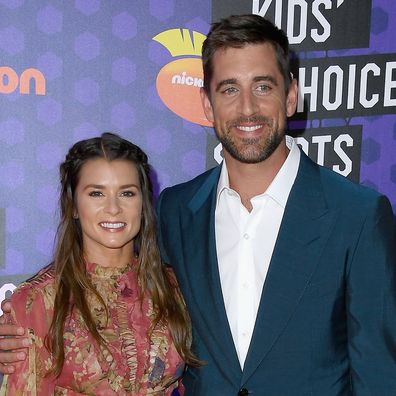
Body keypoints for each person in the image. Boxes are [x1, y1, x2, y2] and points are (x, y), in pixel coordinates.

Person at [1, 14, 396, 395]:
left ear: (290, 95)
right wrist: (19, 329)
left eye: (263, 87)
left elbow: (379, 372)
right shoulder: (177, 210)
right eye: (228, 89)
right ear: (206, 104)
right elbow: (102, 289)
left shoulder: (357, 214)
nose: (247, 109)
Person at [0, 133, 198, 395]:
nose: (113, 208)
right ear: (73, 206)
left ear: (143, 204)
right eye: (96, 193)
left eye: (127, 193)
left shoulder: (174, 287)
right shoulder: (39, 300)